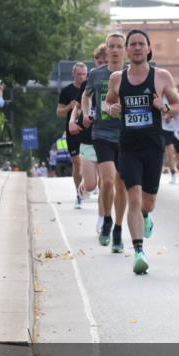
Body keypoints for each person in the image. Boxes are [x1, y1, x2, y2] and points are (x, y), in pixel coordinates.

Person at [105, 29, 179, 274]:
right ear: (127, 50)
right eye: (133, 44)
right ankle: (139, 252)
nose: (137, 48)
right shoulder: (117, 78)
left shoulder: (162, 76)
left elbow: (177, 105)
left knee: (148, 202)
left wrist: (164, 107)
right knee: (134, 198)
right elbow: (108, 101)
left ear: (148, 49)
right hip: (128, 147)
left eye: (141, 44)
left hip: (153, 147)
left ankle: (146, 216)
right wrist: (111, 108)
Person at [83, 33, 129, 252]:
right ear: (107, 50)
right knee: (108, 180)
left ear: (125, 50)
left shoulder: (132, 74)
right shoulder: (96, 74)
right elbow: (86, 96)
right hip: (102, 133)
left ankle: (118, 229)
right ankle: (107, 220)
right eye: (112, 46)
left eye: (119, 46)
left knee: (122, 184)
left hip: (126, 135)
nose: (115, 50)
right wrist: (86, 113)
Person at [74, 45, 105, 224]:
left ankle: (102, 219)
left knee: (106, 182)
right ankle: (84, 186)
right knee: (92, 185)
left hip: (108, 135)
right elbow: (78, 105)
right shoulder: (90, 80)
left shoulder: (118, 79)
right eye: (99, 62)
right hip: (88, 136)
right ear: (95, 62)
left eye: (105, 62)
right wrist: (73, 121)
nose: (103, 65)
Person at [57, 61, 90, 208]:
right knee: (77, 162)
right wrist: (69, 107)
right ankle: (79, 193)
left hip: (89, 130)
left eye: (84, 74)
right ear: (73, 74)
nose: (81, 77)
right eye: (79, 74)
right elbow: (59, 112)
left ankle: (90, 184)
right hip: (73, 130)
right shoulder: (66, 91)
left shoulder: (90, 88)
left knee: (91, 161)